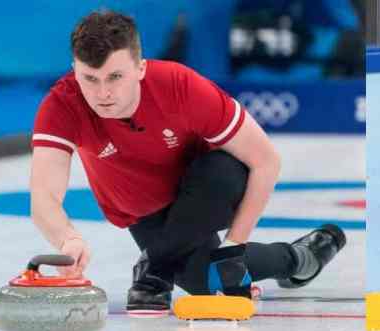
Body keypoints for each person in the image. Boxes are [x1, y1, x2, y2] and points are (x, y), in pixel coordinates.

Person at [29, 10, 346, 314]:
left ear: (140, 68)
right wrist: (68, 239)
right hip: (145, 212)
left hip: (209, 188)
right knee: (207, 280)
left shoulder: (180, 87)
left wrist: (234, 244)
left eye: (115, 77)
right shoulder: (62, 105)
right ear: (74, 69)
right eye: (90, 78)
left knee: (222, 173)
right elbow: (44, 197)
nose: (103, 93)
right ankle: (301, 258)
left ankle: (154, 266)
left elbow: (266, 161)